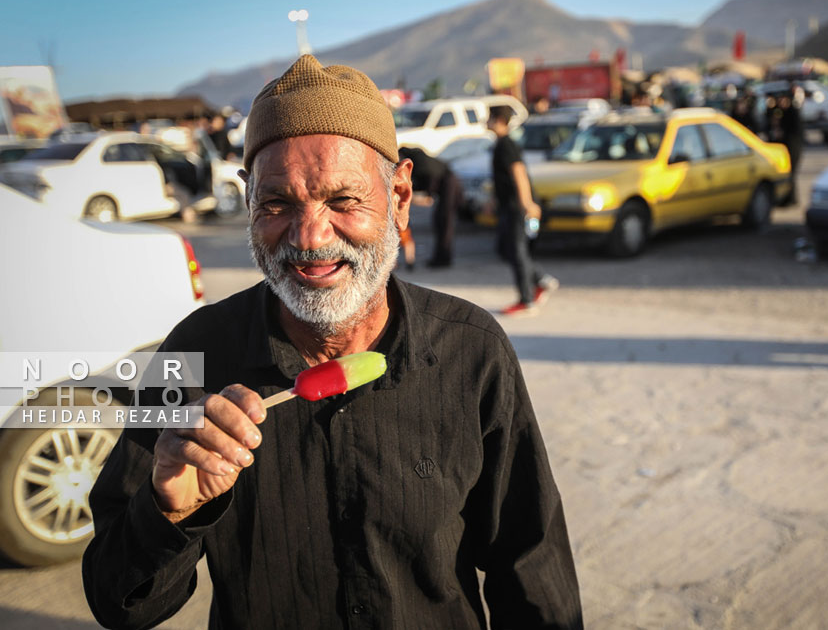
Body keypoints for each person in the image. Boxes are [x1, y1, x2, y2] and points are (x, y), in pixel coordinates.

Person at [82, 55, 583, 629]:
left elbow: (533, 571)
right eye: (276, 204)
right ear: (248, 201)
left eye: (343, 201)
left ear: (397, 197)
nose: (309, 237)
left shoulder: (473, 353)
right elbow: (115, 602)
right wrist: (167, 512)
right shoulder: (191, 359)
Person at [487, 105, 558, 316]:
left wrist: (527, 203)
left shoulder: (507, 145)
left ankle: (527, 300)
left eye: (489, 118)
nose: (486, 122)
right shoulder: (500, 145)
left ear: (499, 120)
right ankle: (540, 279)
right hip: (508, 205)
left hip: (517, 206)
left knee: (517, 250)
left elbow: (519, 173)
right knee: (506, 248)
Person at [398, 146, 463, 267]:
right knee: (440, 221)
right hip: (448, 186)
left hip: (449, 186)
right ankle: (441, 257)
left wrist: (425, 193)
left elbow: (428, 182)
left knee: (445, 222)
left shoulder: (422, 164)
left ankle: (443, 258)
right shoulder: (419, 161)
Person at [777, 89, 804, 206]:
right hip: (787, 147)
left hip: (793, 147)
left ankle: (792, 198)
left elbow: (796, 131)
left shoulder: (793, 112)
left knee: (791, 174)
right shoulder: (783, 112)